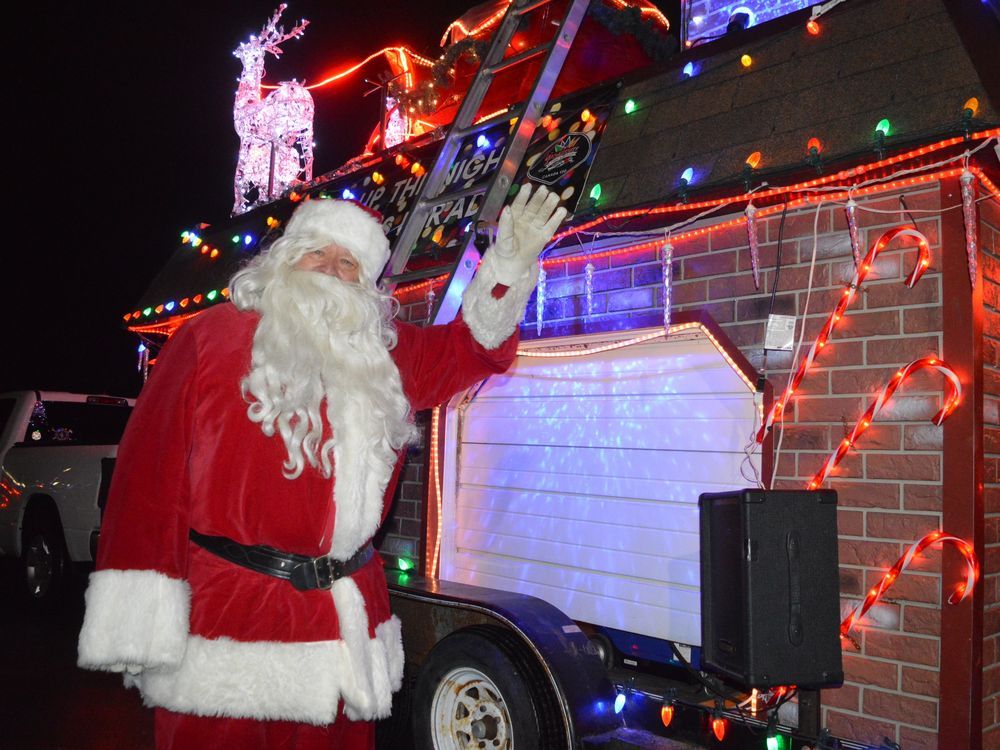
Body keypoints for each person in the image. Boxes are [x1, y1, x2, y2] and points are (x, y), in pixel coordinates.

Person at [77, 184, 567, 749]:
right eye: (318, 252)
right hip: (228, 629)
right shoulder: (208, 338)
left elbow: (470, 349)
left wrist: (509, 262)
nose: (331, 270)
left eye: (349, 262)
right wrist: (140, 622)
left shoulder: (383, 355)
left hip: (342, 634)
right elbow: (147, 482)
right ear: (286, 259)